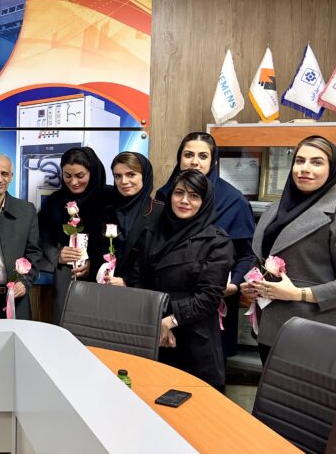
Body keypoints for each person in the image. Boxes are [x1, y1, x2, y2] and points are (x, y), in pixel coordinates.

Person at [243, 136, 336, 363]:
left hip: (313, 334)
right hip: (269, 327)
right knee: (271, 386)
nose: (305, 168)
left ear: (332, 169)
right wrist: (252, 284)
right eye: (300, 160)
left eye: (317, 162)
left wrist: (298, 294)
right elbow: (264, 256)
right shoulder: (275, 209)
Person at [129, 170, 233, 389]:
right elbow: (138, 280)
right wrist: (157, 320)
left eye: (194, 196)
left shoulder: (217, 241)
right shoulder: (152, 232)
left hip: (194, 341)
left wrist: (170, 321)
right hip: (152, 333)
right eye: (179, 193)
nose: (184, 201)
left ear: (204, 202)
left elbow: (208, 297)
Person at [155, 132, 256, 358]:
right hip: (167, 301)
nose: (194, 162)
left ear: (213, 161)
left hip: (209, 299)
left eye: (203, 156)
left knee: (204, 364)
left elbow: (246, 254)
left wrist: (234, 284)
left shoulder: (233, 201)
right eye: (188, 155)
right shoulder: (164, 195)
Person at [36, 147, 113, 324]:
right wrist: (57, 255)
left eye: (80, 175)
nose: (74, 182)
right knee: (66, 325)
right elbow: (41, 235)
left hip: (103, 275)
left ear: (92, 172)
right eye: (67, 176)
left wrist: (95, 263)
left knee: (101, 328)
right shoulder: (56, 200)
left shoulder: (109, 197)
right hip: (68, 274)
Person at [0, 153, 43, 319]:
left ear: (11, 177)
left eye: (4, 174)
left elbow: (34, 253)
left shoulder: (26, 210)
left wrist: (25, 282)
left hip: (15, 299)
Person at [105, 152, 164, 286]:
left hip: (142, 290)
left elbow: (162, 258)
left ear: (145, 175)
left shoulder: (160, 211)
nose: (124, 181)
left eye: (131, 175)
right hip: (105, 288)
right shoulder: (107, 211)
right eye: (117, 176)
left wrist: (127, 281)